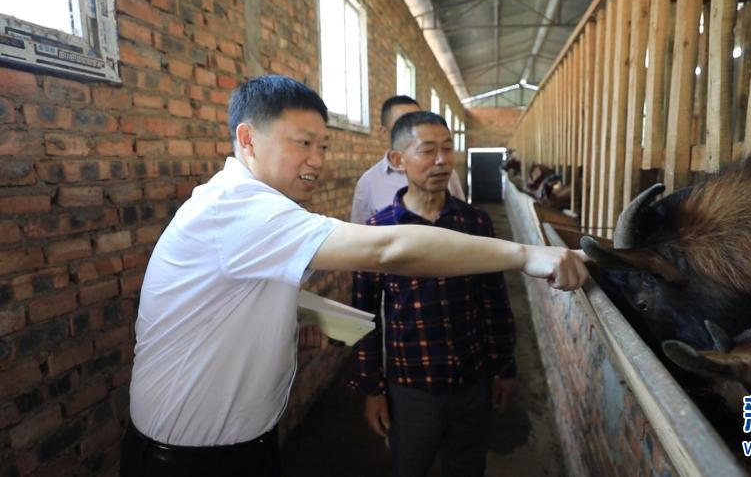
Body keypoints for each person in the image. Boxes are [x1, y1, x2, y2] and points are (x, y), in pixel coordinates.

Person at [121, 75, 588, 477]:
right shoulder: (238, 208)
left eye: (322, 145)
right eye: (302, 143)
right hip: (189, 461)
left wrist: (288, 325)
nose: (318, 159)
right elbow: (388, 249)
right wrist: (526, 255)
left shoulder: (246, 206)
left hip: (235, 447)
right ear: (248, 139)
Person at [350, 112, 516, 477]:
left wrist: (504, 367)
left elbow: (494, 301)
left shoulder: (474, 223)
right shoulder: (378, 231)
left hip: (472, 377)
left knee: (467, 467)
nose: (441, 161)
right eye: (427, 151)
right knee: (411, 466)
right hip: (411, 385)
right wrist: (372, 389)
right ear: (399, 160)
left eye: (447, 149)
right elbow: (364, 317)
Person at [350, 95, 464, 224]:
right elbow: (361, 232)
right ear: (384, 132)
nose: (440, 160)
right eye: (403, 123)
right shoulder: (368, 183)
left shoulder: (445, 174)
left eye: (419, 120)